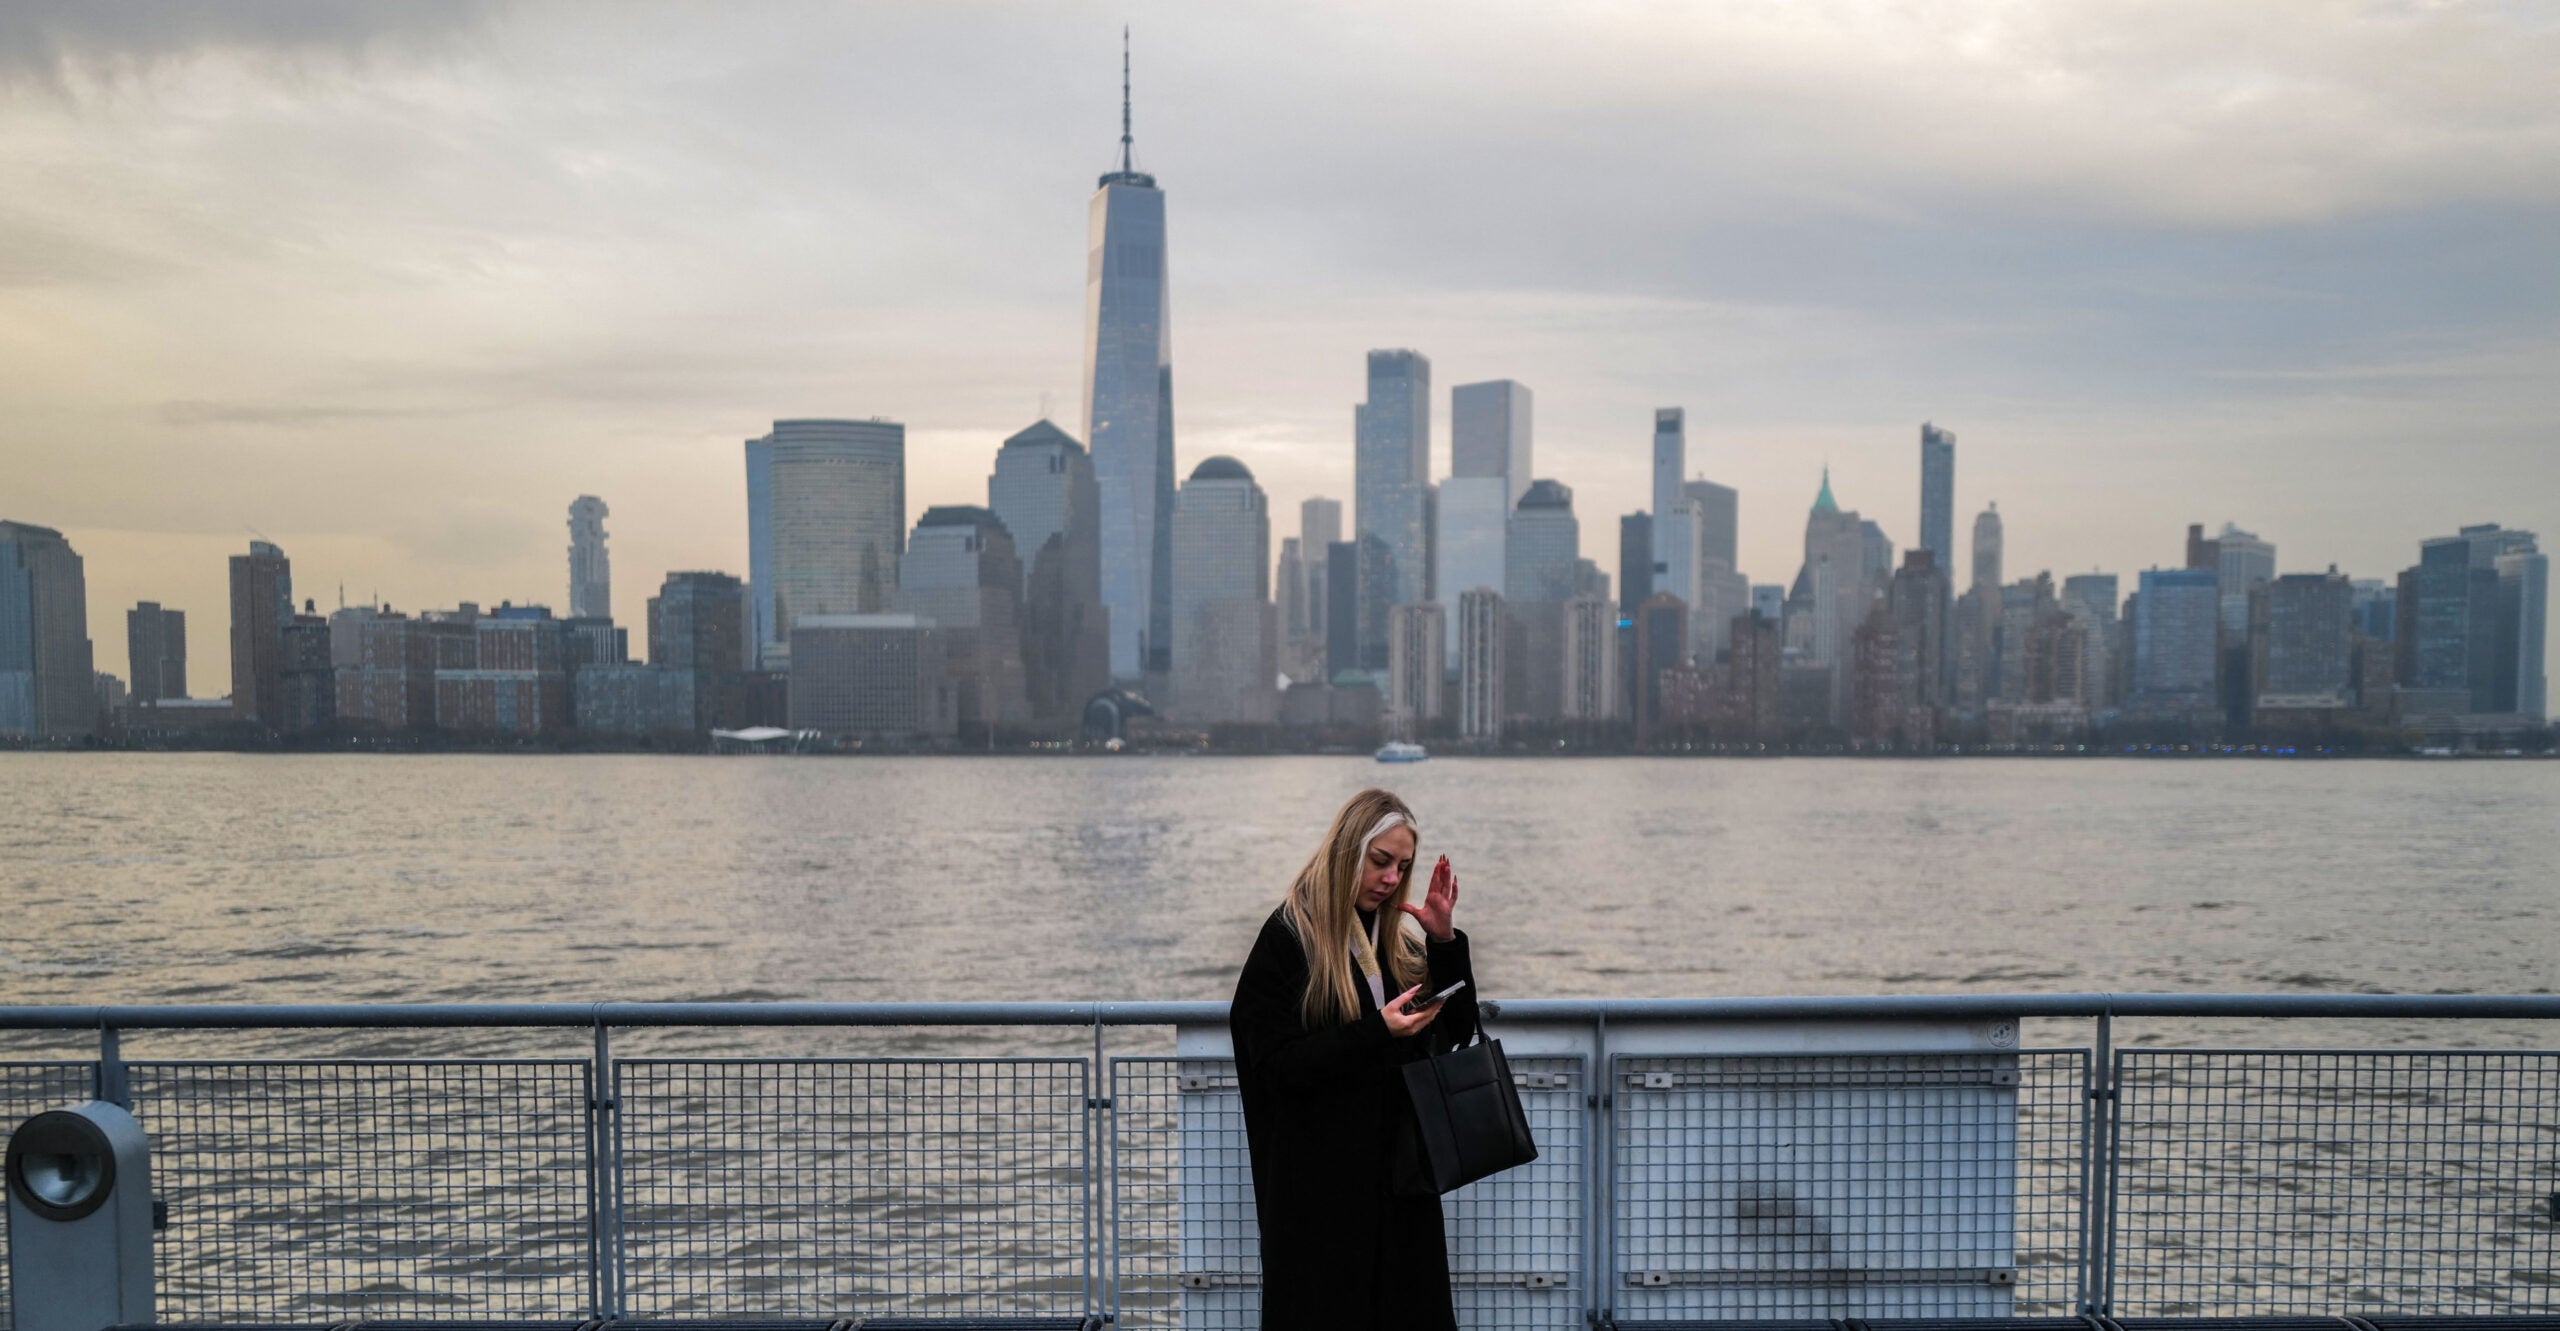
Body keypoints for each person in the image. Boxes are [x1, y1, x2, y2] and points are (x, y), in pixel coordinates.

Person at [1228, 787, 1478, 1330]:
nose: (1391, 878)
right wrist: (1376, 1032)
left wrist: (1443, 940)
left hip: (1399, 1182)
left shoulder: (1393, 939)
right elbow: (1274, 1067)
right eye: (1380, 861)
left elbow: (1456, 1033)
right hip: (1320, 1192)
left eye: (1402, 867)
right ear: (1347, 851)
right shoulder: (1289, 936)